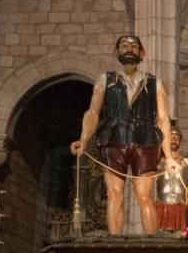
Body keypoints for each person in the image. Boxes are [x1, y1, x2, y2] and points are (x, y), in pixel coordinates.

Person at [70, 35, 179, 234]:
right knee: (114, 194)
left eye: (134, 46)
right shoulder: (106, 80)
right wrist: (84, 138)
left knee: (145, 195)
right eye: (124, 45)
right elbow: (93, 112)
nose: (129, 49)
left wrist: (169, 156)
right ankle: (114, 243)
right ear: (117, 52)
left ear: (142, 53)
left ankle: (152, 246)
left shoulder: (154, 82)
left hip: (145, 140)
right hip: (114, 139)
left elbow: (164, 119)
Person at [155, 123, 188, 229]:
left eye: (177, 137)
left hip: (183, 207)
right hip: (161, 208)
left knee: (183, 239)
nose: (174, 139)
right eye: (170, 136)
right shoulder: (157, 163)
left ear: (180, 141)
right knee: (160, 240)